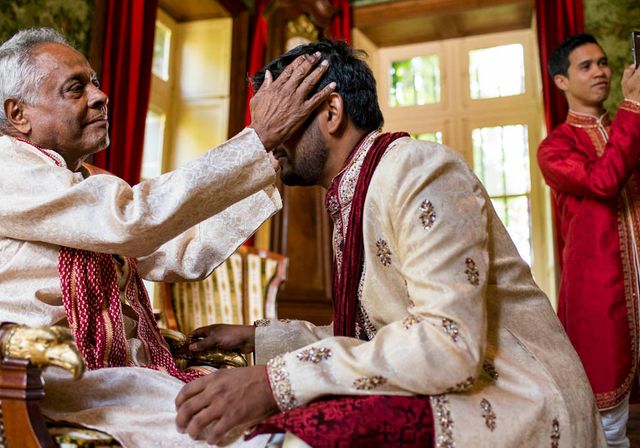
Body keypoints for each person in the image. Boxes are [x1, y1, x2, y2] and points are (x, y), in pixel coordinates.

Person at [176, 39, 606, 447]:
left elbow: (446, 343)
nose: (266, 140)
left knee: (286, 436)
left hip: (518, 397)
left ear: (330, 111)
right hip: (456, 387)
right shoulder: (355, 191)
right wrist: (258, 339)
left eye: (277, 121)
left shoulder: (418, 169)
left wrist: (275, 381)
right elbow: (378, 336)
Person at [0, 27, 335, 447]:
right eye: (76, 88)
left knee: (293, 408)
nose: (101, 96)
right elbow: (131, 221)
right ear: (18, 114)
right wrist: (256, 139)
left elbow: (185, 253)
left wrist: (270, 155)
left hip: (130, 377)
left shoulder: (79, 184)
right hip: (64, 384)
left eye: (96, 83)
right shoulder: (6, 168)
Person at [537, 32, 640, 448]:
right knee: (609, 425)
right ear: (562, 81)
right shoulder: (555, 147)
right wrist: (633, 106)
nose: (600, 71)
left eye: (603, 62)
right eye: (586, 66)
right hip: (601, 296)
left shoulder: (628, 129)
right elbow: (604, 180)